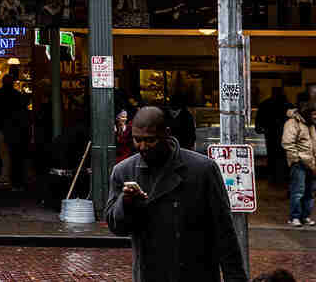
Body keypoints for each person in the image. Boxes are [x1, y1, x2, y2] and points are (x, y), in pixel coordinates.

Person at [105, 106, 246, 282]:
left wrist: (235, 277)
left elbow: (224, 231)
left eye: (150, 140)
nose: (142, 147)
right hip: (150, 274)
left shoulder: (202, 169)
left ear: (166, 133)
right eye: (137, 140)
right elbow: (116, 226)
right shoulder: (124, 171)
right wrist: (125, 202)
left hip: (196, 274)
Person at [281, 100, 316, 226]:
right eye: (313, 114)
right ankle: (294, 217)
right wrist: (296, 159)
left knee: (310, 192)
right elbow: (287, 143)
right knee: (298, 191)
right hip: (299, 163)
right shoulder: (292, 123)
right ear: (306, 113)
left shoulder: (311, 125)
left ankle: (305, 216)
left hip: (311, 163)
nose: (315, 116)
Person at [0, 74, 27, 188]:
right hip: (15, 128)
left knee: (3, 154)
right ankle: (15, 178)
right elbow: (22, 112)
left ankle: (4, 176)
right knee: (15, 154)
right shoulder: (18, 95)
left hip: (1, 127)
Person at [258, 87, 291, 185]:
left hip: (270, 135)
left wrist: (260, 128)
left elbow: (259, 121)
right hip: (285, 134)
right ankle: (283, 178)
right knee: (283, 157)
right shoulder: (287, 104)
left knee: (272, 157)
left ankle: (273, 179)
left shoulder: (265, 104)